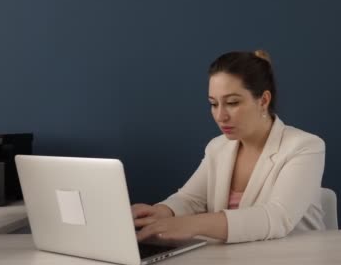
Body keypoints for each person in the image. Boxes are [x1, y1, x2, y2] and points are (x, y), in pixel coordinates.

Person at [132, 50, 326, 243]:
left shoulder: (305, 146)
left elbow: (277, 217)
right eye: (213, 104)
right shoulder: (217, 147)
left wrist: (192, 224)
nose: (220, 116)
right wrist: (162, 212)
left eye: (232, 102)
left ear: (264, 100)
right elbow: (190, 199)